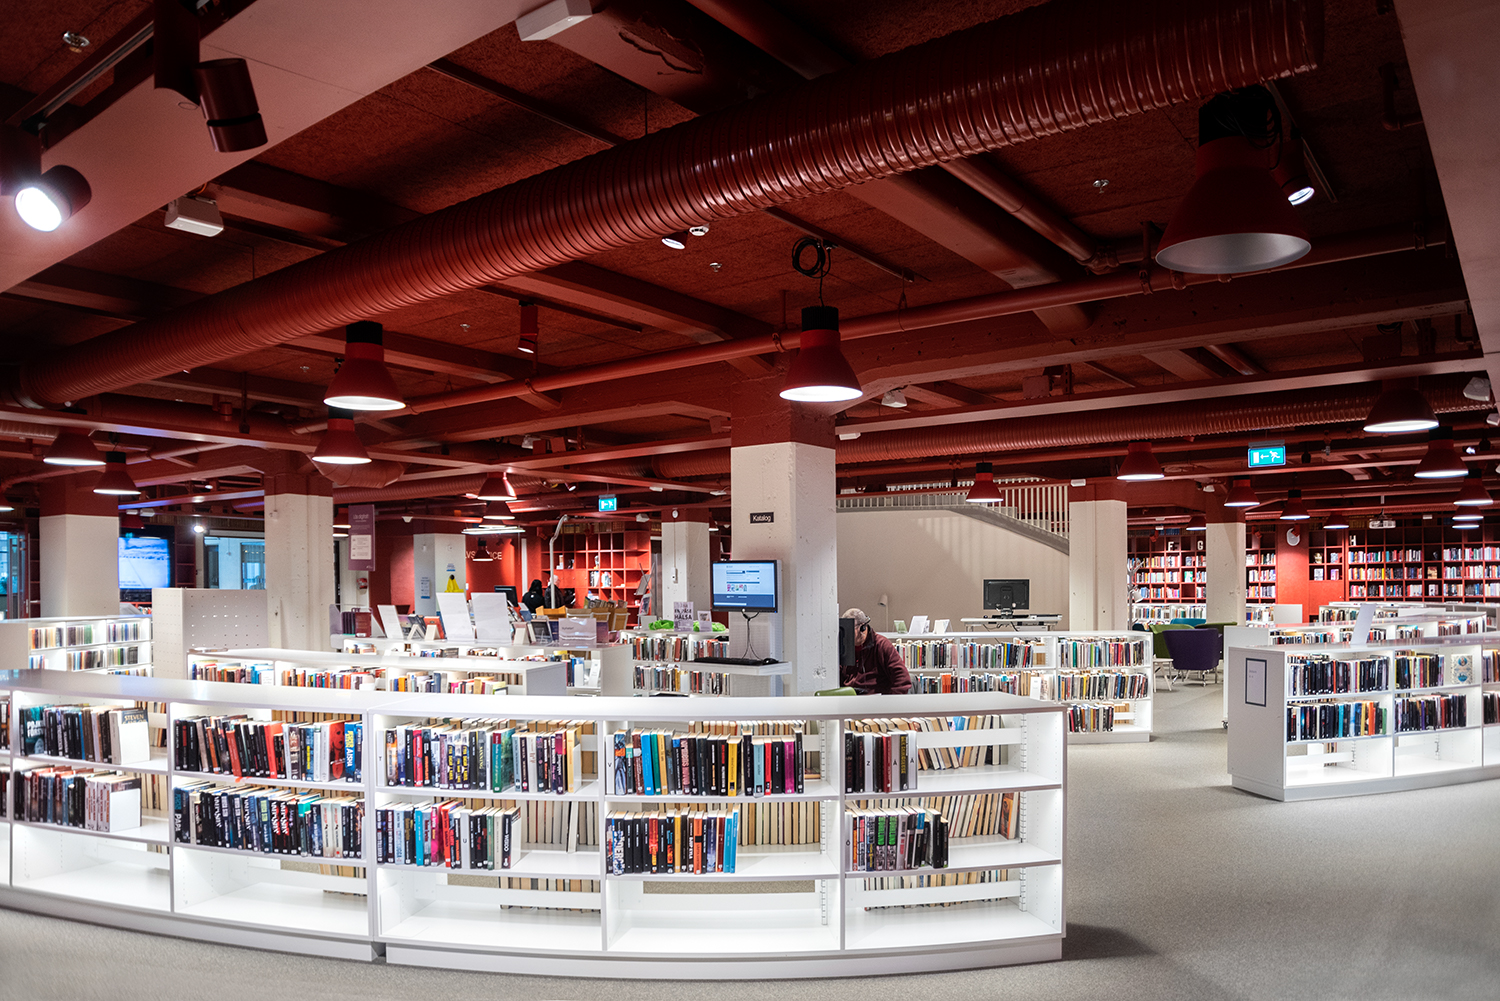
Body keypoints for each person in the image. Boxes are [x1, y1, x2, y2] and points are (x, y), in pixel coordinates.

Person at [839, 608, 912, 694]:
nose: (846, 634)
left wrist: (892, 700)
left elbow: (902, 679)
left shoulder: (882, 645)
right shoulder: (844, 647)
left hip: (876, 699)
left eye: (850, 630)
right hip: (849, 698)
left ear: (863, 628)